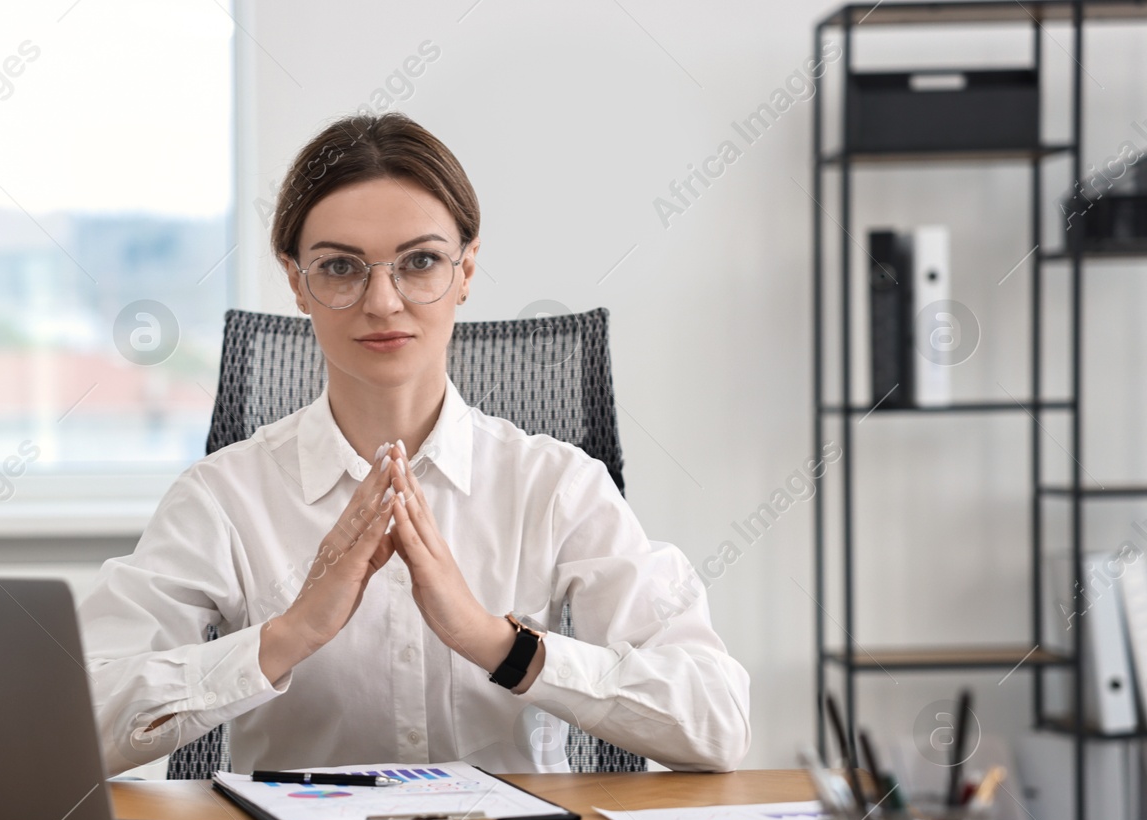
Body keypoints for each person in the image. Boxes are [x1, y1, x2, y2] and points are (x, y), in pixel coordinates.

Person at [79, 112, 749, 777]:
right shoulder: (226, 495)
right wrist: (285, 637)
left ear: (466, 270)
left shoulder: (555, 484)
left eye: (420, 261)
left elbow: (717, 722)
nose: (383, 300)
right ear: (296, 282)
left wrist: (495, 643)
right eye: (340, 267)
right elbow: (77, 719)